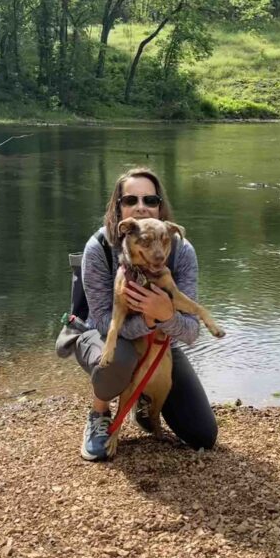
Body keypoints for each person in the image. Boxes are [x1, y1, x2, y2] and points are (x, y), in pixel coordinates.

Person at [64, 167, 218, 461]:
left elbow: (191, 332)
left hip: (159, 340)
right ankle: (98, 415)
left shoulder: (181, 251)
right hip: (99, 335)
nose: (141, 206)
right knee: (118, 359)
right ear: (118, 208)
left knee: (203, 435)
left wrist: (164, 316)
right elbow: (99, 320)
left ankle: (145, 405)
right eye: (130, 200)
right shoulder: (98, 248)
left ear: (161, 208)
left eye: (150, 199)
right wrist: (147, 320)